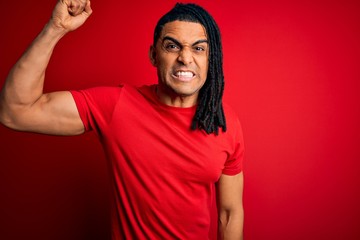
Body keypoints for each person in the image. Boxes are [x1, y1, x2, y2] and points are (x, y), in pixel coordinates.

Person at [0, 0, 244, 239]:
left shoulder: (223, 122)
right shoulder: (117, 106)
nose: (185, 58)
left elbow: (229, 214)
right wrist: (56, 28)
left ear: (210, 59)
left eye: (199, 48)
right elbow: (15, 111)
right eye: (172, 46)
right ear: (153, 55)